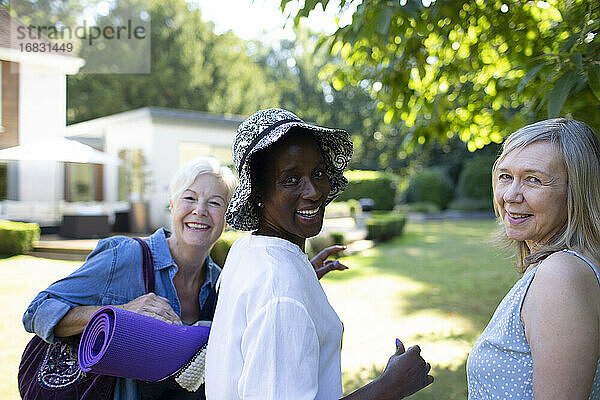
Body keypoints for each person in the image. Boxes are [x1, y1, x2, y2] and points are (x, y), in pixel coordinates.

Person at [205, 108, 434, 399]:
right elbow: (277, 299)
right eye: (291, 180)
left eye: (318, 173)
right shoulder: (280, 292)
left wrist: (302, 279)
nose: (313, 191)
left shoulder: (249, 250)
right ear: (258, 193)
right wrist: (389, 387)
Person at [466, 118, 600, 399]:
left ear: (576, 191)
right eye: (505, 176)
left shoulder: (561, 274)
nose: (511, 195)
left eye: (533, 179)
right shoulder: (563, 266)